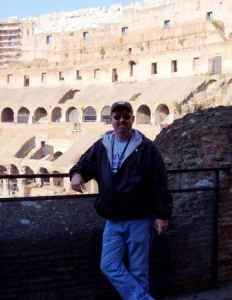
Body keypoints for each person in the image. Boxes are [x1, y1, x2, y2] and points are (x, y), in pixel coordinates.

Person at [69, 101, 172, 300]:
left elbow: (160, 182)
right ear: (111, 121)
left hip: (139, 219)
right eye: (117, 117)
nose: (121, 120)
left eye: (126, 116)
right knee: (108, 265)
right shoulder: (102, 145)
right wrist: (77, 174)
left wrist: (162, 215)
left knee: (139, 270)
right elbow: (83, 164)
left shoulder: (146, 147)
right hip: (112, 220)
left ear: (132, 119)